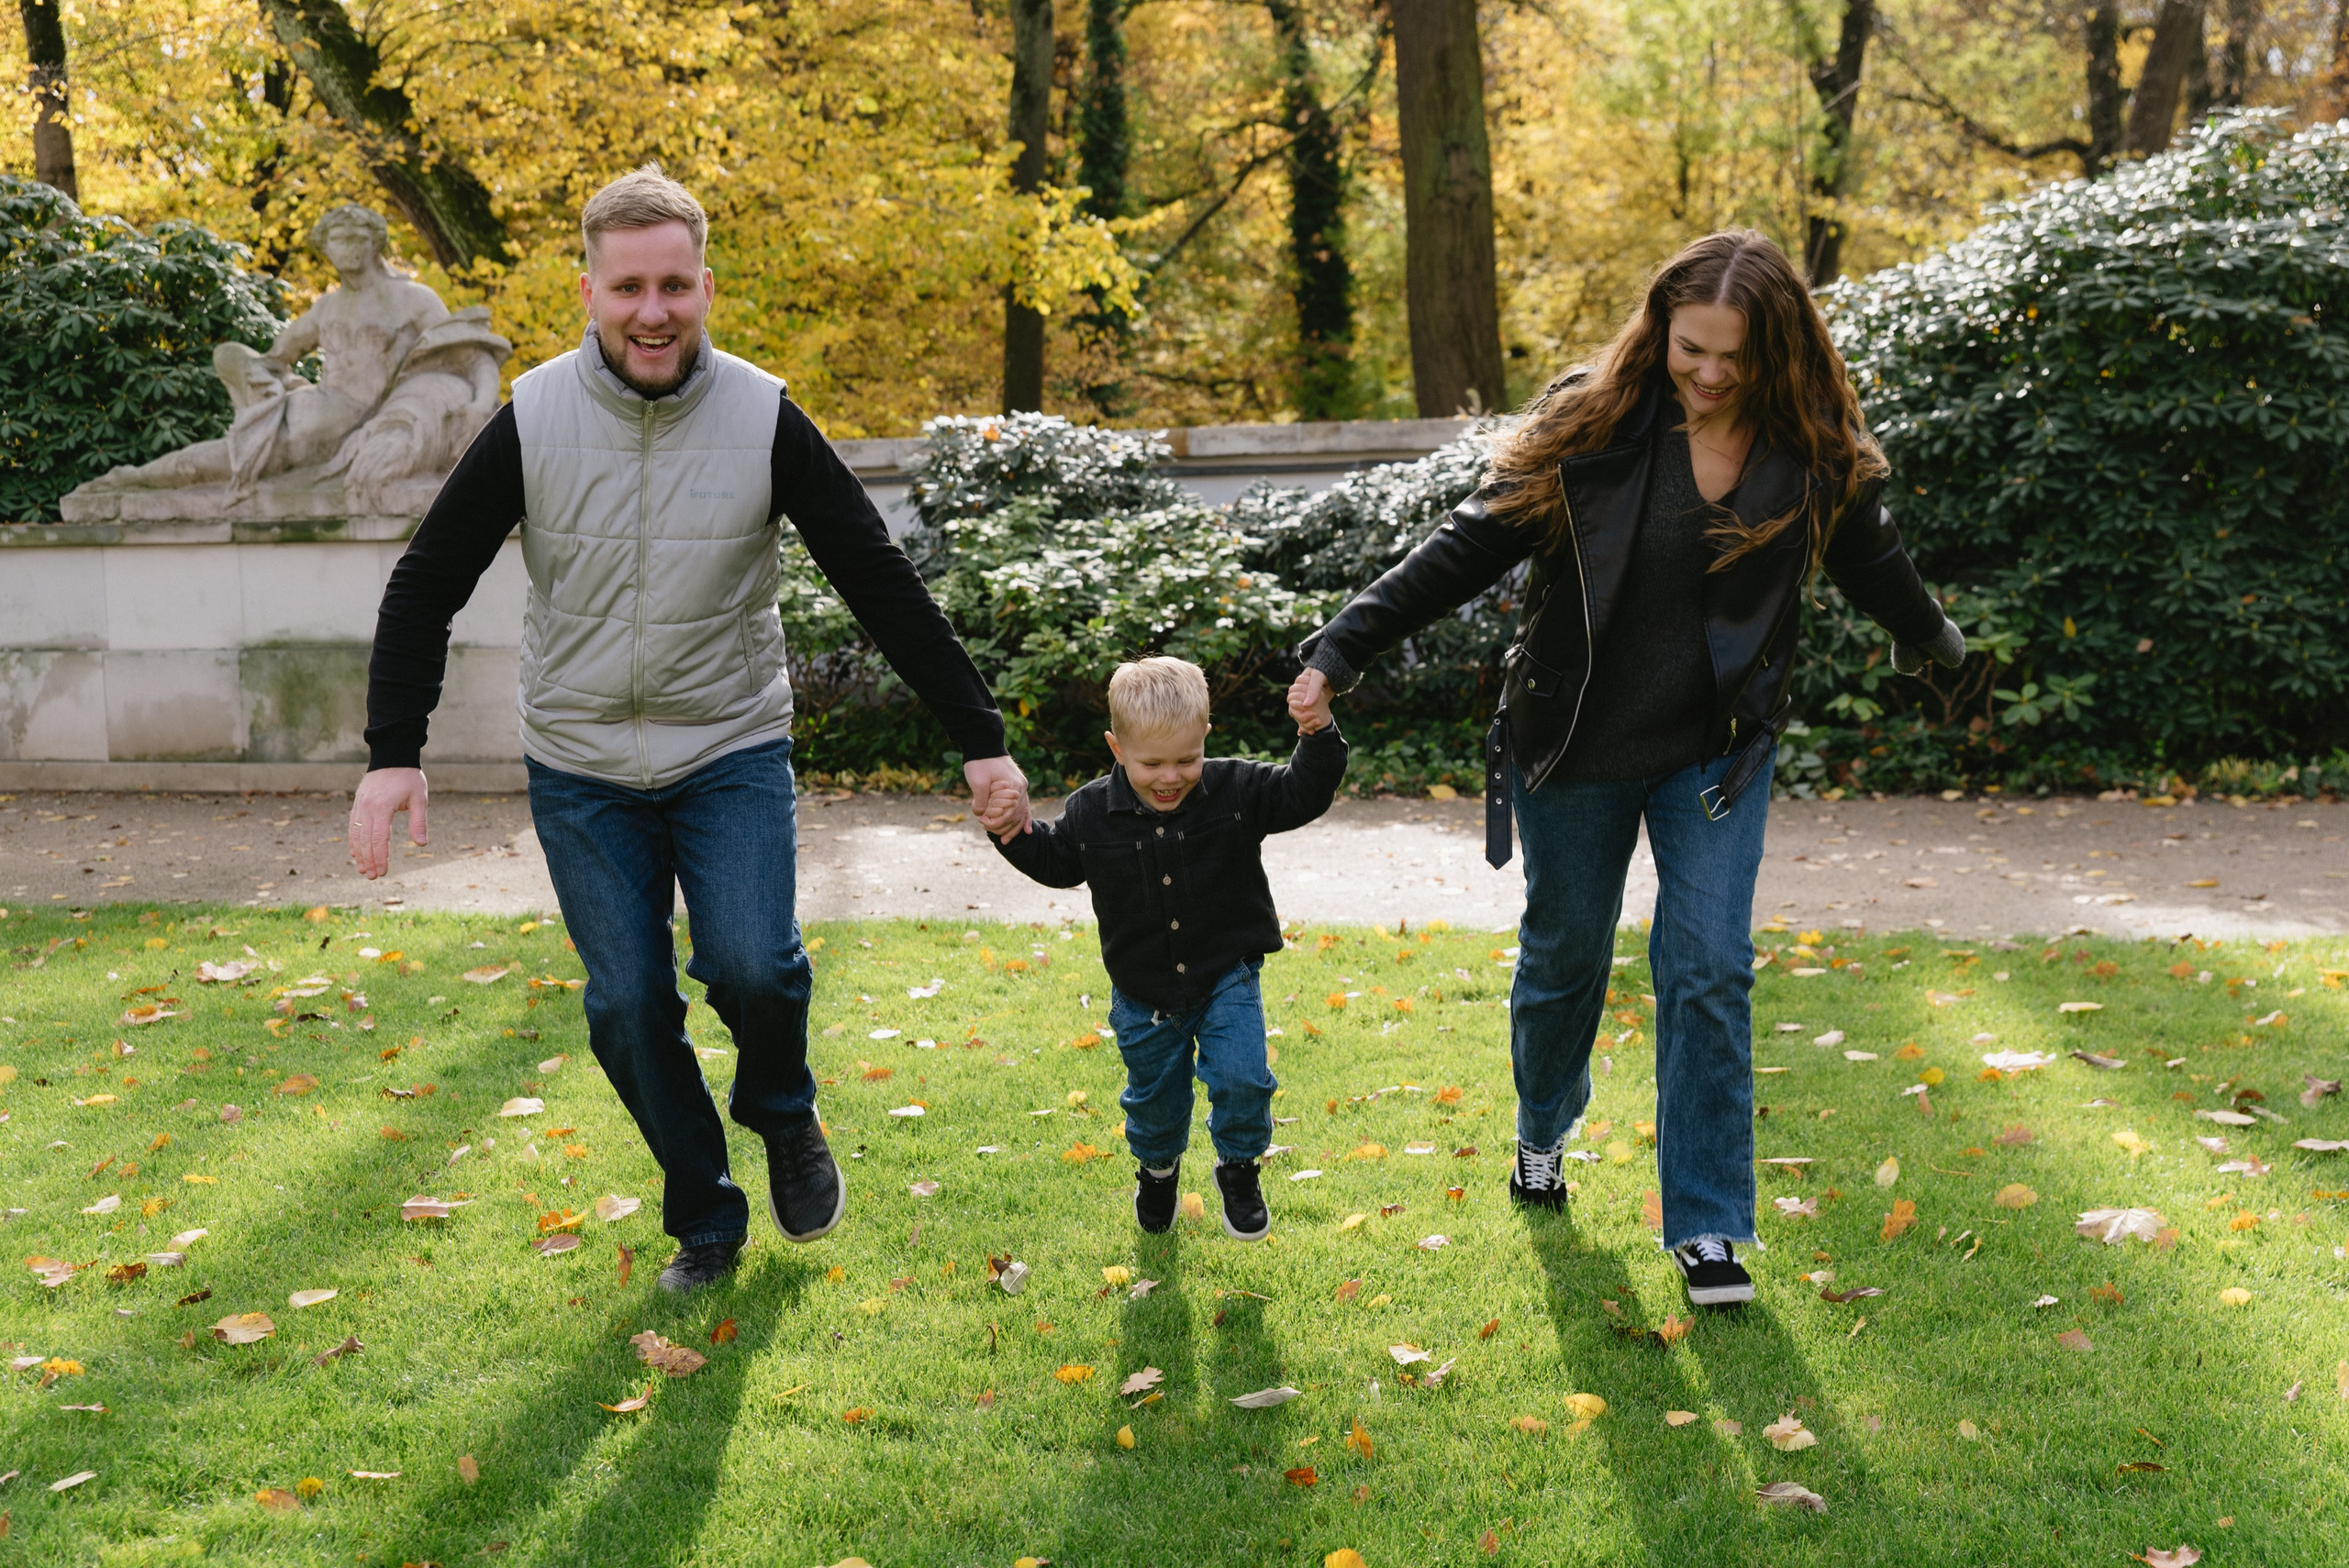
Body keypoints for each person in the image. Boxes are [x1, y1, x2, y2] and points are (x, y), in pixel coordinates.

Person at [347, 167, 1032, 1295]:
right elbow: (426, 584)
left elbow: (876, 574)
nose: (652, 310)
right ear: (589, 290)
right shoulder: (534, 418)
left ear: (705, 286)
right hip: (582, 764)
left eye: (674, 284)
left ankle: (783, 1112)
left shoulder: (764, 414)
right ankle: (705, 1216)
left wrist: (980, 736)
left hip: (729, 745)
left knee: (756, 968)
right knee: (625, 1003)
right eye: (628, 288)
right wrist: (390, 754)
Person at [1288, 230, 1965, 1307]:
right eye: (1688, 347)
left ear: (1776, 352)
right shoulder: (1593, 420)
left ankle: (1706, 1224)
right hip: (1576, 741)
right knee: (1565, 957)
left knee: (1709, 964)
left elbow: (1874, 558)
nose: (1705, 373)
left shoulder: (1809, 448)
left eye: (1730, 358)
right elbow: (1467, 541)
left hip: (1714, 752)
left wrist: (1934, 641)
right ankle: (1542, 1128)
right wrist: (1341, 643)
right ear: (1659, 329)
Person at [992, 656, 1347, 1240]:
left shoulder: (1235, 789)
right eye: (1150, 762)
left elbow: (1302, 793)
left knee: (1243, 1079)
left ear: (1205, 737)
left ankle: (1239, 1166)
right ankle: (1158, 1172)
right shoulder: (1090, 813)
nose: (1170, 776)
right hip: (1143, 992)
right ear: (1116, 747)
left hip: (1225, 975)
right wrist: (1012, 830)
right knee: (1155, 1104)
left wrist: (1317, 731)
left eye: (1186, 759)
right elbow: (1056, 863)